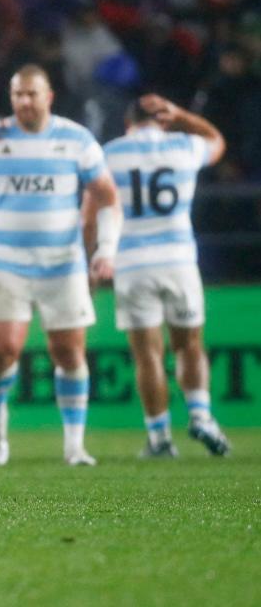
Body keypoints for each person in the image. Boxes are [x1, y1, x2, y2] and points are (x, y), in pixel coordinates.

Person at [0, 64, 120, 467]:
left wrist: (106, 249)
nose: (24, 101)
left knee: (68, 351)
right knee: (2, 348)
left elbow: (108, 196)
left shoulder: (76, 140)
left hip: (63, 264)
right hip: (6, 261)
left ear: (49, 97)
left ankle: (74, 445)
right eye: (17, 94)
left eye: (31, 94)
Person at [103, 94, 230, 457]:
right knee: (189, 344)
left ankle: (159, 438)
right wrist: (183, 116)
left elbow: (93, 199)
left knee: (148, 356)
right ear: (163, 120)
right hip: (178, 260)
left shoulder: (111, 153)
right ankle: (201, 416)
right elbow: (218, 142)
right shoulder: (184, 145)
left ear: (129, 124)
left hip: (131, 263)